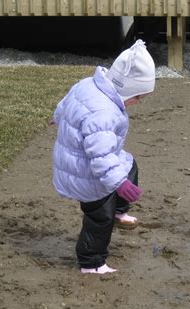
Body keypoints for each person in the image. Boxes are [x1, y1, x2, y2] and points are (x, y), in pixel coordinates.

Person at [51, 40, 155, 274]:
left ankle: (120, 210)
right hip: (83, 172)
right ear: (126, 89)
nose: (137, 102)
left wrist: (57, 116)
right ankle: (91, 262)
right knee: (99, 216)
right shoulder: (104, 114)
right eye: (138, 97)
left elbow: (67, 102)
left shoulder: (89, 84)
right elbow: (101, 157)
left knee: (130, 165)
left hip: (83, 159)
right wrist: (120, 184)